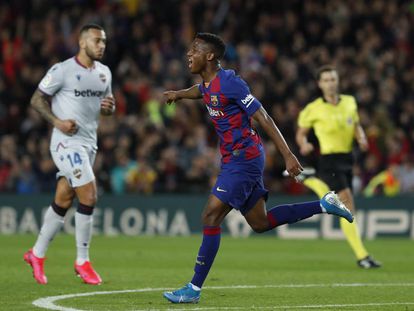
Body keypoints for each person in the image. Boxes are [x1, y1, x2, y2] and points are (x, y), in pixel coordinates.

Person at [162, 33, 353, 304]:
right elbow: (201, 92)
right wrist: (179, 95)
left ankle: (193, 288)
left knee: (210, 216)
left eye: (194, 50)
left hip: (244, 159)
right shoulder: (207, 84)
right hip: (234, 159)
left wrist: (288, 155)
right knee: (260, 223)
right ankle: (324, 205)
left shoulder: (230, 82)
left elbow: (263, 117)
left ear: (210, 56)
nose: (188, 54)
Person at [23, 24, 115, 285]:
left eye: (104, 42)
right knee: (89, 194)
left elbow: (106, 108)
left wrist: (110, 108)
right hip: (65, 142)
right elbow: (36, 100)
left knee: (64, 197)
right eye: (97, 41)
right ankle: (82, 260)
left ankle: (36, 254)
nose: (101, 46)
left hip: (89, 143)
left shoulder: (104, 73)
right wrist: (58, 122)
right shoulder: (62, 70)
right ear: (82, 42)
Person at [296, 65, 381, 269]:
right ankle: (362, 256)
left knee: (338, 202)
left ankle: (310, 179)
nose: (330, 83)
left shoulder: (350, 102)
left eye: (332, 79)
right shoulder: (313, 108)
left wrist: (361, 138)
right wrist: (303, 144)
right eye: (325, 80)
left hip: (347, 159)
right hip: (329, 158)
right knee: (347, 204)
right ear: (319, 84)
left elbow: (356, 125)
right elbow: (301, 133)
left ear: (338, 81)